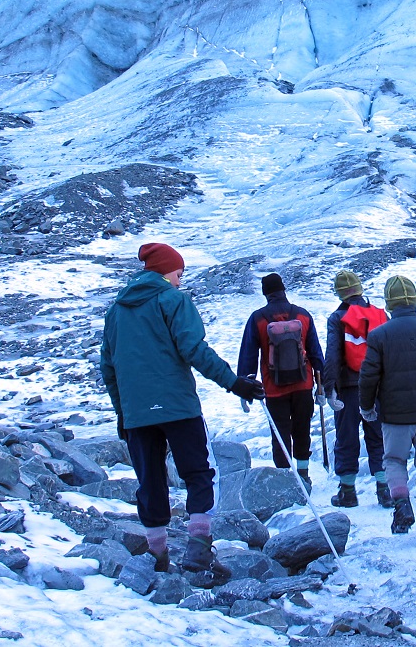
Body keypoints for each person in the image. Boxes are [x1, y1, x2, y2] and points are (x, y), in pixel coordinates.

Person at [99, 243, 266, 582]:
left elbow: (108, 367)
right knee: (200, 473)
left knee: (151, 481)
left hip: (137, 415)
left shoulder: (116, 311)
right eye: (178, 273)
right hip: (177, 407)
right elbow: (194, 349)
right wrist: (235, 384)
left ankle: (157, 556)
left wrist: (123, 414)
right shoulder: (173, 301)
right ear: (166, 272)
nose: (180, 280)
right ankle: (198, 549)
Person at [359, 275, 416, 538]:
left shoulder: (379, 335)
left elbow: (368, 376)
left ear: (388, 305)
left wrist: (366, 407)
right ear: (415, 300)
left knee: (394, 460)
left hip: (395, 415)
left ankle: (402, 506)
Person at [237, 273, 326, 487]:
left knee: (280, 433)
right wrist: (322, 386)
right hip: (303, 384)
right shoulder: (302, 315)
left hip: (274, 387)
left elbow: (248, 355)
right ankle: (304, 475)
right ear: (283, 289)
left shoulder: (258, 318)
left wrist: (244, 387)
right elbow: (315, 353)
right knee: (302, 428)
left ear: (265, 293)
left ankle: (285, 479)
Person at [321, 270, 391, 508]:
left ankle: (348, 492)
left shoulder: (337, 317)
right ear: (360, 289)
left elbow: (332, 356)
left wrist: (327, 386)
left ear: (339, 293)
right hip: (378, 387)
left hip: (348, 388)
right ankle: (385, 489)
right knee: (378, 436)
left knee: (346, 437)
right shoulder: (380, 315)